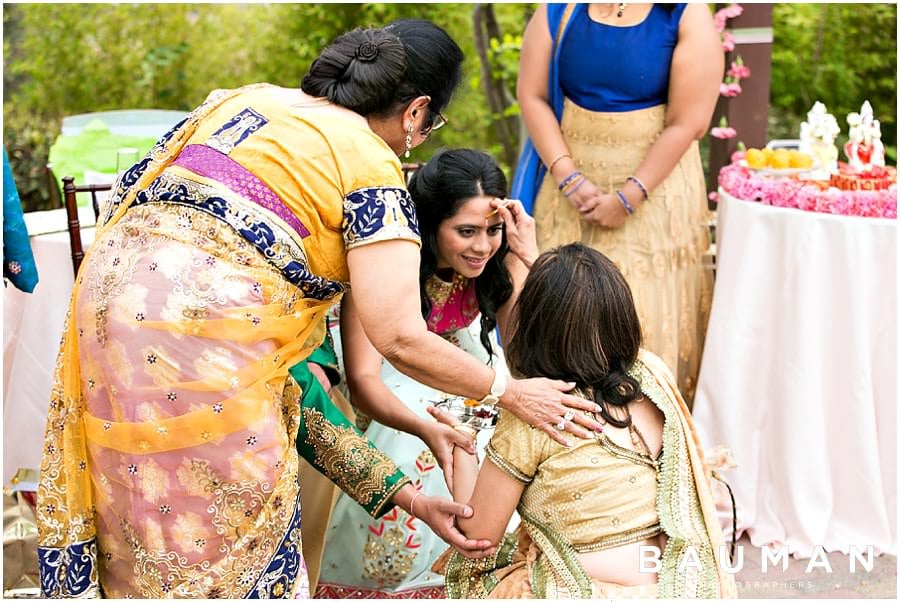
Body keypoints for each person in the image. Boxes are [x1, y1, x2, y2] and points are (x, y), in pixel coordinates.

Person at [35, 20, 601, 598]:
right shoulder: (367, 163)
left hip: (103, 311)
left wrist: (403, 496)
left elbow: (296, 402)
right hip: (207, 342)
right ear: (416, 112)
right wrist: (509, 392)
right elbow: (400, 338)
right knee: (225, 539)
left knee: (139, 507)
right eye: (432, 126)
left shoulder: (242, 100)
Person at [431, 242, 737, 598]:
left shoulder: (537, 413)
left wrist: (461, 444)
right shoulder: (652, 374)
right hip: (681, 584)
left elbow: (477, 538)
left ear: (533, 326)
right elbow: (582, 304)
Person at [316, 149, 537, 598]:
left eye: (492, 230)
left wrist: (525, 255)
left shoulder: (492, 264)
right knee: (438, 427)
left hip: (465, 363)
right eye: (466, 231)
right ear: (431, 223)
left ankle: (487, 568)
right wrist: (421, 428)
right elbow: (365, 382)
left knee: (499, 419)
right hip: (389, 374)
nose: (481, 247)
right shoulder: (383, 269)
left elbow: (524, 351)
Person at [512, 3, 723, 403]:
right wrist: (567, 176)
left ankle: (647, 438)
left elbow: (690, 121)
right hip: (567, 189)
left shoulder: (682, 13)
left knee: (637, 315)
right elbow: (533, 94)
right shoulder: (560, 10)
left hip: (654, 194)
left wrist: (628, 197)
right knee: (564, 302)